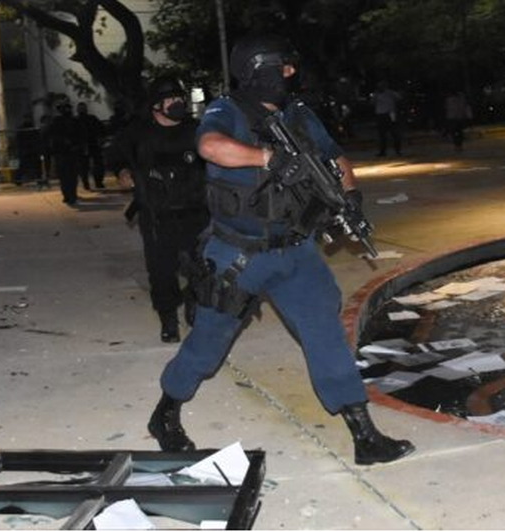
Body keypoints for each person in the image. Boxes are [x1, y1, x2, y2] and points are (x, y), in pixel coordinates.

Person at [147, 34, 415, 466]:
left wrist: (351, 199)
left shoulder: (301, 116)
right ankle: (166, 412)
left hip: (295, 252)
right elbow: (209, 146)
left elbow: (336, 160)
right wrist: (267, 159)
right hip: (238, 256)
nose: (289, 75)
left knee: (325, 334)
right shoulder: (226, 111)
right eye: (281, 68)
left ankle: (363, 434)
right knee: (208, 343)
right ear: (257, 70)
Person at [111, 77, 210, 343]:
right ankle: (168, 318)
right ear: (156, 105)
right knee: (160, 271)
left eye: (180, 98)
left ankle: (194, 300)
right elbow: (117, 155)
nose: (178, 103)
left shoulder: (198, 130)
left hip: (196, 212)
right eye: (172, 99)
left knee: (203, 268)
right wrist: (122, 171)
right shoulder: (138, 132)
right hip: (157, 215)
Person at [47, 102, 82, 205]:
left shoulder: (74, 121)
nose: (66, 110)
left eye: (67, 108)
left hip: (72, 151)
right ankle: (68, 195)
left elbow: (80, 135)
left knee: (71, 175)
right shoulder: (56, 121)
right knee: (65, 176)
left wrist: (76, 144)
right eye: (63, 109)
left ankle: (71, 195)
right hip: (62, 152)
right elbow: (52, 135)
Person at [76, 102, 106, 190]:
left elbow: (101, 129)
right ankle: (86, 183)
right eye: (80, 108)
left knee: (98, 164)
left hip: (93, 144)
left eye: (83, 108)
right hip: (82, 145)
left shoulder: (92, 118)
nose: (82, 110)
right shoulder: (76, 120)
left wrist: (100, 139)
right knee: (83, 166)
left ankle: (98, 182)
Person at [372, 81, 403, 157]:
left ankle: (397, 150)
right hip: (380, 115)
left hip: (390, 114)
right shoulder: (376, 94)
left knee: (394, 133)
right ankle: (382, 151)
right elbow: (372, 103)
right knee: (382, 134)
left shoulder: (390, 93)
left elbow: (399, 98)